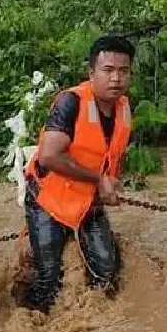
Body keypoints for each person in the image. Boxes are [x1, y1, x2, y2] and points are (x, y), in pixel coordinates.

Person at [21, 35, 134, 313]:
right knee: (50, 279)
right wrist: (98, 180)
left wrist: (111, 186)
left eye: (123, 71)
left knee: (107, 272)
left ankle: (93, 325)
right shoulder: (70, 103)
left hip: (87, 201)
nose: (116, 78)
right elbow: (49, 155)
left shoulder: (123, 108)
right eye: (108, 70)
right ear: (91, 73)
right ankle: (33, 324)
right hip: (48, 199)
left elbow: (112, 156)